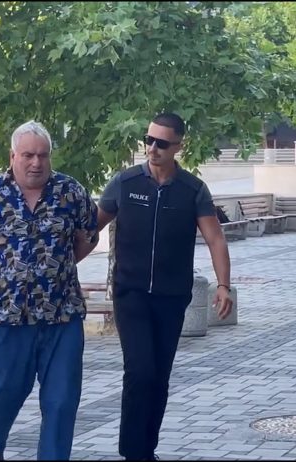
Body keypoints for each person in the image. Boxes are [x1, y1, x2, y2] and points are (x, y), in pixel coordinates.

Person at [97, 112, 233, 460]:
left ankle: (147, 449)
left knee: (159, 376)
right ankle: (133, 453)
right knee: (140, 371)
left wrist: (223, 285)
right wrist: (64, 262)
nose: (152, 148)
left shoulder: (192, 190)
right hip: (131, 294)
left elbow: (215, 238)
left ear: (178, 147)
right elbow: (89, 228)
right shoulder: (125, 183)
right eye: (149, 140)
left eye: (161, 143)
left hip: (171, 297)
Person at [0, 121, 99, 460]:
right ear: (13, 156)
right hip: (7, 316)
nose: (36, 162)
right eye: (28, 155)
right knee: (0, 395)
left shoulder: (70, 192)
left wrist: (57, 267)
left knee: (62, 401)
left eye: (43, 155)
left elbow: (88, 237)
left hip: (62, 315)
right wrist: (8, 272)